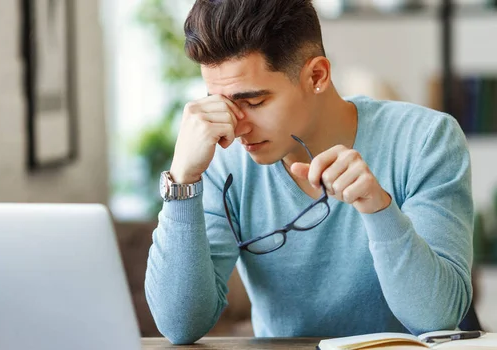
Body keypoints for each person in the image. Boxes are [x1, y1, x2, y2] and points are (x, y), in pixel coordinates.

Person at [145, 0, 474, 345]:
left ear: (316, 76)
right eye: (220, 102)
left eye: (253, 102)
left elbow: (437, 317)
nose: (236, 127)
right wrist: (182, 180)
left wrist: (378, 208)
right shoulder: (221, 159)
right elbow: (180, 325)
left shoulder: (426, 140)